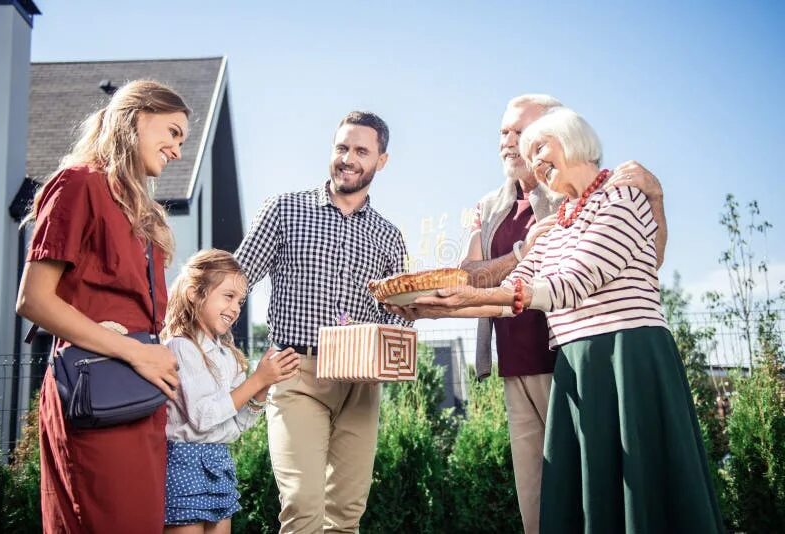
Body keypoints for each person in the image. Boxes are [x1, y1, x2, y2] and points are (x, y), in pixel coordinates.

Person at [412, 107, 724, 533]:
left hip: (628, 358)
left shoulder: (623, 197)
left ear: (573, 137)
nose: (535, 161)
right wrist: (437, 306)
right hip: (578, 365)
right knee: (590, 501)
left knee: (642, 495)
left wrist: (485, 295)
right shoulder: (557, 226)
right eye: (529, 154)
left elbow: (574, 281)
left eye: (540, 146)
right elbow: (508, 294)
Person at [15, 80, 190, 533]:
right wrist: (134, 351)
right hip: (95, 391)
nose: (176, 149)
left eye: (182, 140)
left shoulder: (144, 213)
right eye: (171, 132)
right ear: (137, 117)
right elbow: (33, 300)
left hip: (144, 396)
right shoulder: (79, 184)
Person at [234, 111, 410, 532]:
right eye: (341, 148)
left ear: (381, 161)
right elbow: (235, 280)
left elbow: (397, 320)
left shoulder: (389, 237)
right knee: (302, 506)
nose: (348, 158)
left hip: (361, 383)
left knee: (346, 514)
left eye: (361, 151)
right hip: (298, 373)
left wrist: (411, 314)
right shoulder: (285, 210)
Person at [161, 249, 300, 533]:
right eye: (228, 296)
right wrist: (256, 380)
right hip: (183, 466)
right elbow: (203, 417)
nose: (236, 307)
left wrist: (263, 388)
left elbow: (235, 426)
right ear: (194, 294)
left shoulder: (228, 356)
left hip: (219, 463)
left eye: (240, 300)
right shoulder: (180, 348)